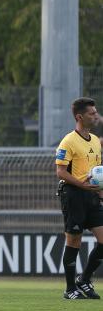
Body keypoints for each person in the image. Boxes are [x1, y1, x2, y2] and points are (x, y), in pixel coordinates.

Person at [55, 97, 103, 299]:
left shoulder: (95, 141)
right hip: (73, 194)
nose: (96, 116)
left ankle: (83, 279)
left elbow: (97, 172)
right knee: (74, 240)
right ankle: (69, 289)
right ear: (79, 117)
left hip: (92, 195)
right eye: (92, 113)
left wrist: (100, 192)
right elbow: (60, 172)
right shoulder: (68, 141)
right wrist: (81, 184)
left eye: (96, 112)